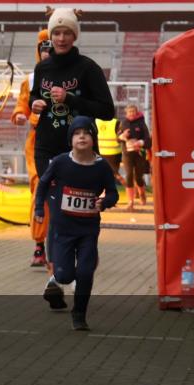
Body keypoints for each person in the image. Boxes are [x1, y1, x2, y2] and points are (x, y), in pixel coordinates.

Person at [30, 7, 115, 300]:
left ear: (75, 35)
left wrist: (71, 98)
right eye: (57, 32)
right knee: (56, 212)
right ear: (50, 35)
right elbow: (34, 97)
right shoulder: (42, 68)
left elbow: (106, 110)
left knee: (81, 214)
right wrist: (34, 104)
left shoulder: (87, 68)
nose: (62, 38)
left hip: (80, 153)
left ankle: (79, 273)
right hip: (47, 148)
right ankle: (56, 275)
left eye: (67, 32)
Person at [34, 116, 119, 330]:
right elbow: (42, 184)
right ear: (70, 139)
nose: (82, 137)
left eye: (86, 133)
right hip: (63, 229)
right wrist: (39, 208)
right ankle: (57, 279)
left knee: (85, 273)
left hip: (88, 230)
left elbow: (113, 193)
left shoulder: (101, 166)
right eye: (77, 133)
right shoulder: (60, 162)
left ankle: (79, 314)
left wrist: (105, 202)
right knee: (65, 275)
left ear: (93, 139)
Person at [12, 30, 53, 266]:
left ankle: (67, 244)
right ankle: (39, 245)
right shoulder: (30, 79)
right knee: (40, 188)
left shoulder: (73, 74)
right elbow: (22, 104)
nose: (47, 52)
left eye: (51, 47)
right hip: (37, 141)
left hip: (65, 140)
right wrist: (20, 115)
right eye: (43, 48)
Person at [117, 103, 152, 211]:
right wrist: (122, 136)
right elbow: (118, 138)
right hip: (127, 154)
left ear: (136, 112)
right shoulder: (123, 123)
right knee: (129, 175)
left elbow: (148, 140)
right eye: (129, 112)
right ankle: (130, 201)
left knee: (138, 177)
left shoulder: (141, 123)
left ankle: (142, 194)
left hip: (139, 154)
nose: (131, 114)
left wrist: (140, 143)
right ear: (126, 113)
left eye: (133, 111)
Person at [95, 110, 125, 186]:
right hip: (114, 152)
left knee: (110, 174)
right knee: (113, 174)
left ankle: (128, 185)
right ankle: (129, 185)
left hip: (102, 151)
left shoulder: (96, 121)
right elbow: (121, 136)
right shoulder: (116, 122)